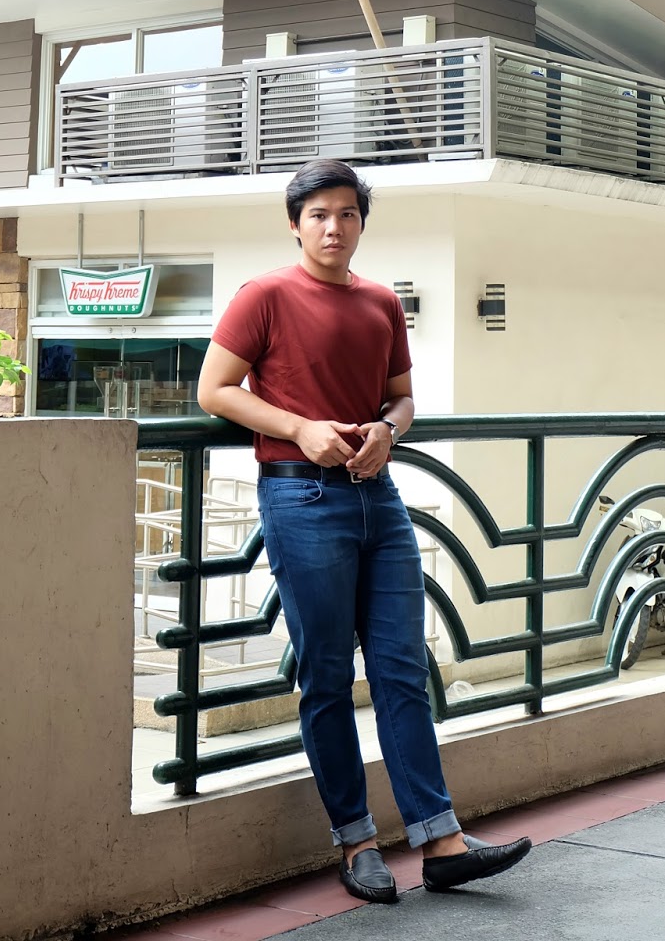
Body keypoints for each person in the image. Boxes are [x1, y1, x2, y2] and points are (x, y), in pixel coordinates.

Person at [197, 159, 531, 902]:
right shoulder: (263, 296)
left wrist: (388, 430)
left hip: (378, 497)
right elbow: (213, 390)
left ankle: (440, 840)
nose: (333, 227)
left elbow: (401, 399)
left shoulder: (381, 302)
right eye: (318, 214)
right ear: (295, 224)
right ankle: (356, 843)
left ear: (360, 224)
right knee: (325, 674)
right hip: (301, 496)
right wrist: (298, 428)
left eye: (346, 213)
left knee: (401, 666)